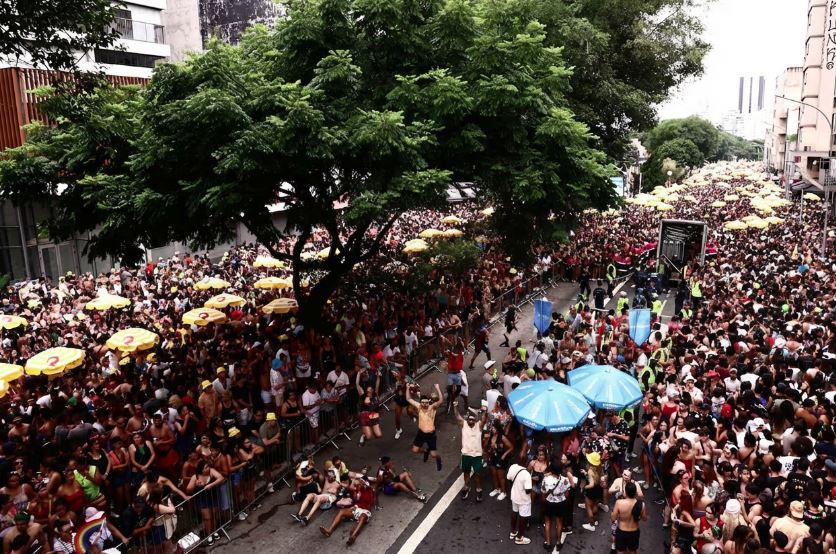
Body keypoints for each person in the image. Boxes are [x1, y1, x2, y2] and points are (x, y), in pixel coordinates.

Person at [319, 476, 375, 546]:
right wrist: (355, 502)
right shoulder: (358, 489)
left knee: (363, 517)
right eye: (360, 482)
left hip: (365, 511)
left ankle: (353, 537)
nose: (360, 484)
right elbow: (355, 498)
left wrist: (364, 483)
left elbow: (370, 499)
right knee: (342, 511)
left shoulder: (370, 490)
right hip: (357, 508)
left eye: (361, 482)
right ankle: (329, 531)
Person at [407, 383, 444, 471]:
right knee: (415, 450)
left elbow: (441, 400)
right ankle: (425, 451)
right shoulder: (419, 407)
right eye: (422, 402)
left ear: (429, 402)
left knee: (434, 455)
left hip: (431, 435)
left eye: (426, 402)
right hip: (421, 433)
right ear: (420, 403)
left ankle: (439, 459)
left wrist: (438, 388)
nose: (424, 404)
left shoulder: (432, 408)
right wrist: (407, 388)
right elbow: (408, 398)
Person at [453, 401, 484, 502]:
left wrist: (484, 411)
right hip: (466, 454)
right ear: (467, 419)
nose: (471, 421)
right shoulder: (464, 425)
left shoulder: (479, 426)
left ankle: (479, 489)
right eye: (469, 419)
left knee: (478, 474)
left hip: (477, 455)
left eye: (473, 419)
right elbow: (457, 416)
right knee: (466, 473)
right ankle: (466, 487)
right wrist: (455, 406)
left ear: (475, 420)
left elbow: (484, 419)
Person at [542, 461, 573, 553]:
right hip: (560, 502)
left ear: (551, 469)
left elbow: (543, 491)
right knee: (559, 522)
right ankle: (558, 542)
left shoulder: (546, 479)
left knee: (548, 522)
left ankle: (548, 543)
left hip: (549, 502)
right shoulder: (564, 479)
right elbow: (567, 491)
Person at [612, 481, 646, 554]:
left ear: (625, 492)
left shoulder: (619, 503)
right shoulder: (641, 504)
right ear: (635, 493)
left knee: (620, 551)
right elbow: (644, 519)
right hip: (634, 531)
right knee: (632, 551)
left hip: (621, 531)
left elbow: (613, 518)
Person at [507, 461, 533, 545]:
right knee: (523, 517)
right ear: (528, 465)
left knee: (514, 512)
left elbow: (508, 478)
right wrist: (532, 481)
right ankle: (519, 538)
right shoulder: (527, 475)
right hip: (524, 499)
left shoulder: (514, 466)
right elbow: (528, 490)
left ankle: (513, 532)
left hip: (514, 495)